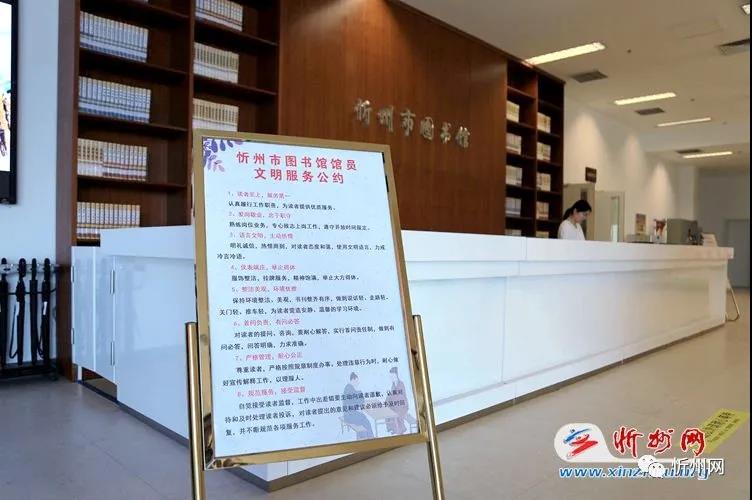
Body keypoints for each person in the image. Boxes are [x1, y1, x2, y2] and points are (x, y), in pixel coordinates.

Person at [342, 372, 374, 439]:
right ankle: (370, 438)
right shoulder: (350, 389)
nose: (357, 383)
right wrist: (360, 393)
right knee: (365, 421)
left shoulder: (348, 387)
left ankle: (366, 437)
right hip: (349, 416)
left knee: (363, 418)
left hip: (348, 414)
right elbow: (359, 402)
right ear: (353, 380)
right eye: (356, 381)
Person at [385, 366, 409, 435]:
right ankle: (394, 429)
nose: (391, 377)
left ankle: (399, 429)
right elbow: (391, 395)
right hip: (396, 404)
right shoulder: (393, 384)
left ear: (396, 375)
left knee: (395, 413)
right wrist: (387, 400)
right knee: (388, 411)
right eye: (390, 376)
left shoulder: (401, 384)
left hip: (402, 405)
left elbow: (401, 396)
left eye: (392, 376)